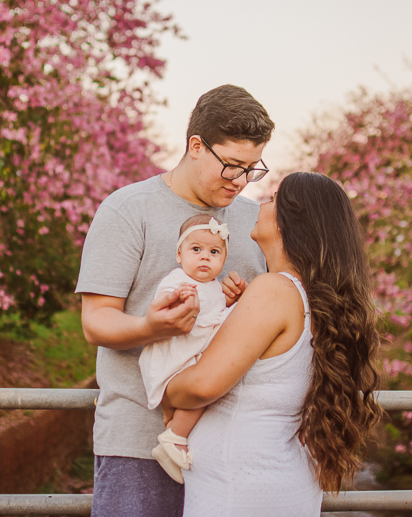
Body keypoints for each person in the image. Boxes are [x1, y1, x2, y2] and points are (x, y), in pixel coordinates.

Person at [76, 84, 274, 517]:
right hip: (138, 444)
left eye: (251, 168)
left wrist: (243, 304)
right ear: (196, 146)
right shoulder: (128, 209)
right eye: (231, 166)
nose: (240, 181)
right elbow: (96, 322)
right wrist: (152, 327)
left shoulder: (256, 220)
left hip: (231, 445)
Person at [165, 172, 383, 517]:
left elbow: (201, 386)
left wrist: (162, 385)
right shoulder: (310, 295)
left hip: (240, 489)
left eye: (273, 200)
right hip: (267, 481)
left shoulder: (274, 290)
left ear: (290, 223)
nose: (262, 203)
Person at [139, 215, 233, 484]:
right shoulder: (177, 281)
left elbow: (216, 314)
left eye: (214, 252)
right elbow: (164, 305)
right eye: (196, 250)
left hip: (189, 355)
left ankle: (172, 429)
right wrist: (180, 300)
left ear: (223, 260)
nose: (205, 257)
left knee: (204, 388)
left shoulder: (214, 287)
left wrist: (231, 301)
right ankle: (175, 438)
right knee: (203, 392)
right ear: (179, 255)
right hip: (173, 356)